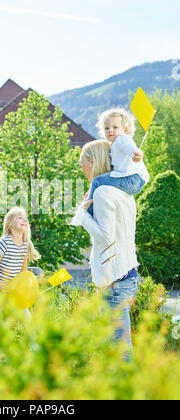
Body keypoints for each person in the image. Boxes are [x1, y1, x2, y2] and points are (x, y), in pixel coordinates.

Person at [71, 139, 139, 356]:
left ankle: (127, 389)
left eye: (82, 162)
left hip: (113, 282)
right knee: (120, 346)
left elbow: (105, 237)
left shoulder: (102, 193)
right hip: (126, 276)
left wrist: (82, 214)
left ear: (92, 162)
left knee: (118, 350)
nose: (81, 167)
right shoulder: (123, 193)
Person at [0, 206, 40, 345]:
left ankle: (35, 350)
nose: (24, 220)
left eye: (26, 218)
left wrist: (24, 290)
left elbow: (22, 273)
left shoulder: (25, 245)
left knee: (27, 320)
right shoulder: (4, 242)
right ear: (10, 222)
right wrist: (2, 291)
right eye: (20, 217)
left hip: (11, 291)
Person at [86, 108, 150, 216]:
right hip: (132, 180)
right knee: (100, 182)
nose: (110, 130)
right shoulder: (114, 145)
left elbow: (130, 147)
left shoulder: (122, 139)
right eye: (106, 128)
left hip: (132, 179)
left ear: (125, 129)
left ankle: (89, 210)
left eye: (115, 127)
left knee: (97, 181)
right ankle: (93, 200)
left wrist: (137, 155)